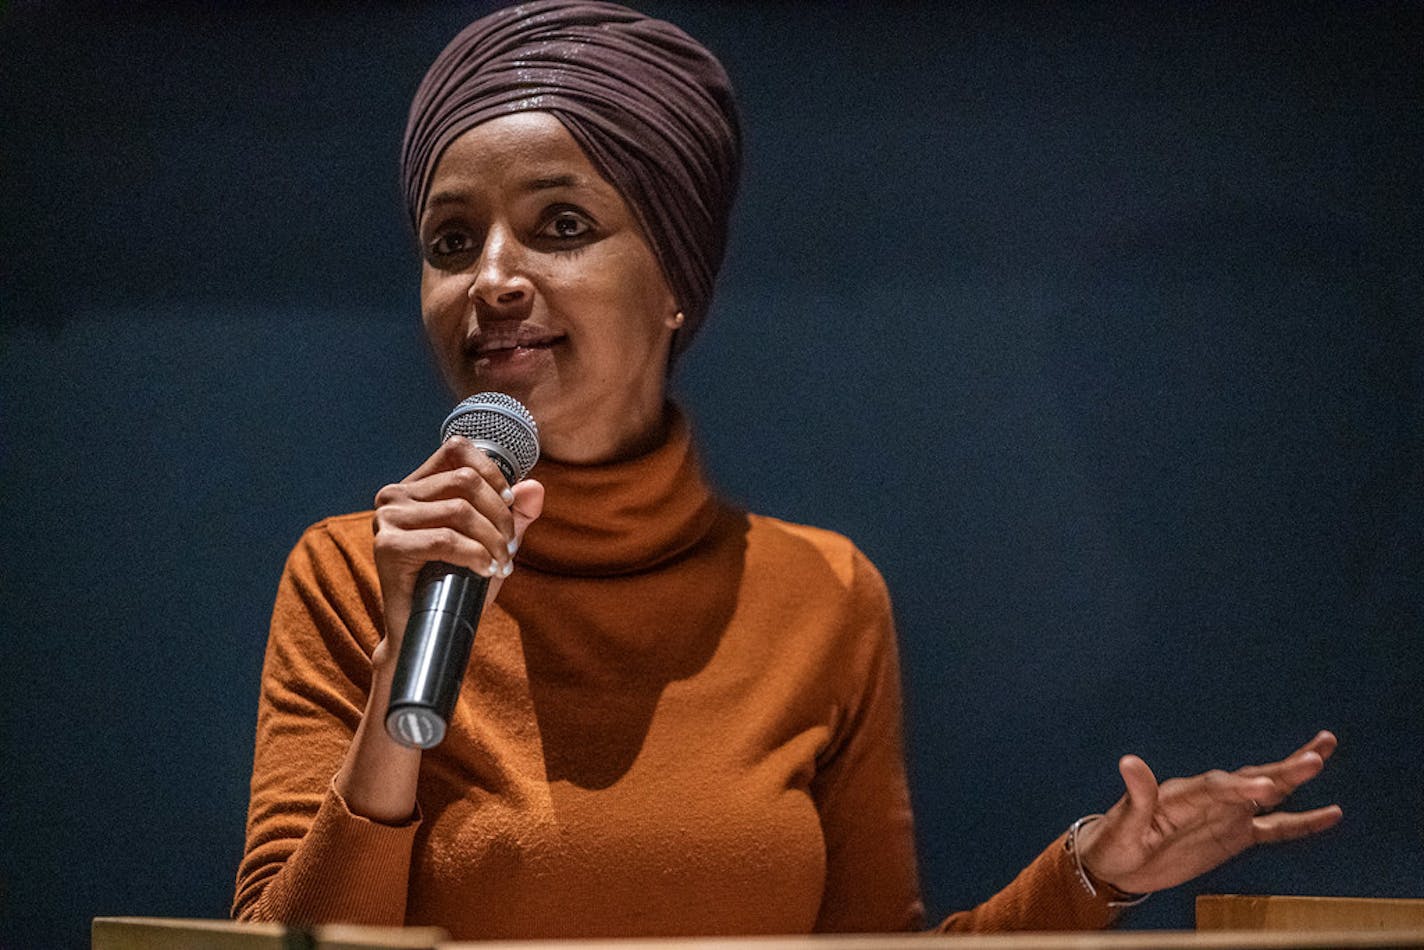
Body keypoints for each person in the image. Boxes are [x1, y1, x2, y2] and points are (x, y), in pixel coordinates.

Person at [233, 1, 1341, 938]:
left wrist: (1092, 872)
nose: (492, 278)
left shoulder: (820, 593)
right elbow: (275, 939)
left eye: (559, 223)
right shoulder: (352, 575)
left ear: (675, 278)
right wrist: (400, 674)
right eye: (449, 241)